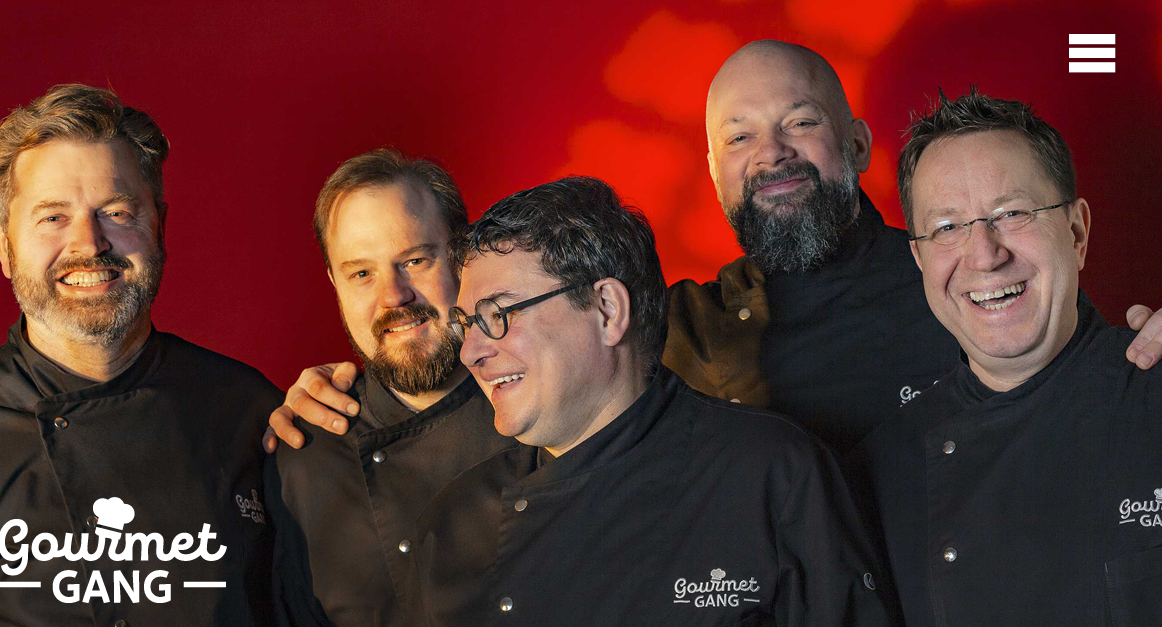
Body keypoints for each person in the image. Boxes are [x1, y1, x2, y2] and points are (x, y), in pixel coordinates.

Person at [269, 40, 1162, 460]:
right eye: (739, 137)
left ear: (856, 144)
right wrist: (360, 397)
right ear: (714, 171)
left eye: (799, 124)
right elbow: (525, 386)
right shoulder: (677, 327)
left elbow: (1089, 378)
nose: (770, 155)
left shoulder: (958, 277)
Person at [412, 176, 896, 625]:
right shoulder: (454, 525)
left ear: (607, 310)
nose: (471, 352)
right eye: (467, 324)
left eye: (498, 315)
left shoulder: (775, 474)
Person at [0, 84, 280, 625]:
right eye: (52, 218)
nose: (90, 244)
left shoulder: (251, 412)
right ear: (2, 243)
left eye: (115, 212)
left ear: (159, 227)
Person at [857, 89, 1162, 626]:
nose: (985, 255)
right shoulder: (881, 469)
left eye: (1012, 213)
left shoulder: (1153, 389)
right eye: (947, 228)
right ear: (919, 259)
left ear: (1077, 232)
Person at [264, 149, 519, 626]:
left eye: (415, 260)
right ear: (335, 284)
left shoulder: (544, 409)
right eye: (361, 274)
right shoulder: (305, 457)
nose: (393, 296)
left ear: (463, 256)